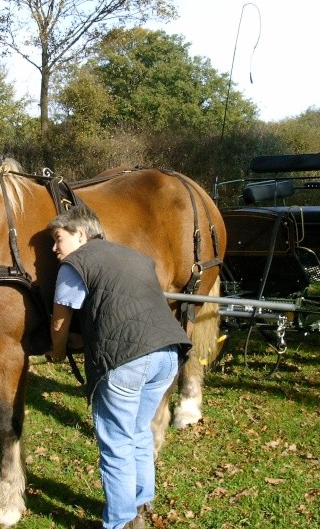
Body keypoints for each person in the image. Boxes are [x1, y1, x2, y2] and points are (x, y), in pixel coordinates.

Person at [45, 206, 191, 529]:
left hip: (126, 358)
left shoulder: (75, 263)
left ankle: (122, 521)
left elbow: (60, 317)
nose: (54, 249)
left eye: (58, 239)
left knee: (116, 442)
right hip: (168, 353)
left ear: (80, 234)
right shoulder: (134, 256)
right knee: (138, 430)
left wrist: (57, 351)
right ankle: (141, 503)